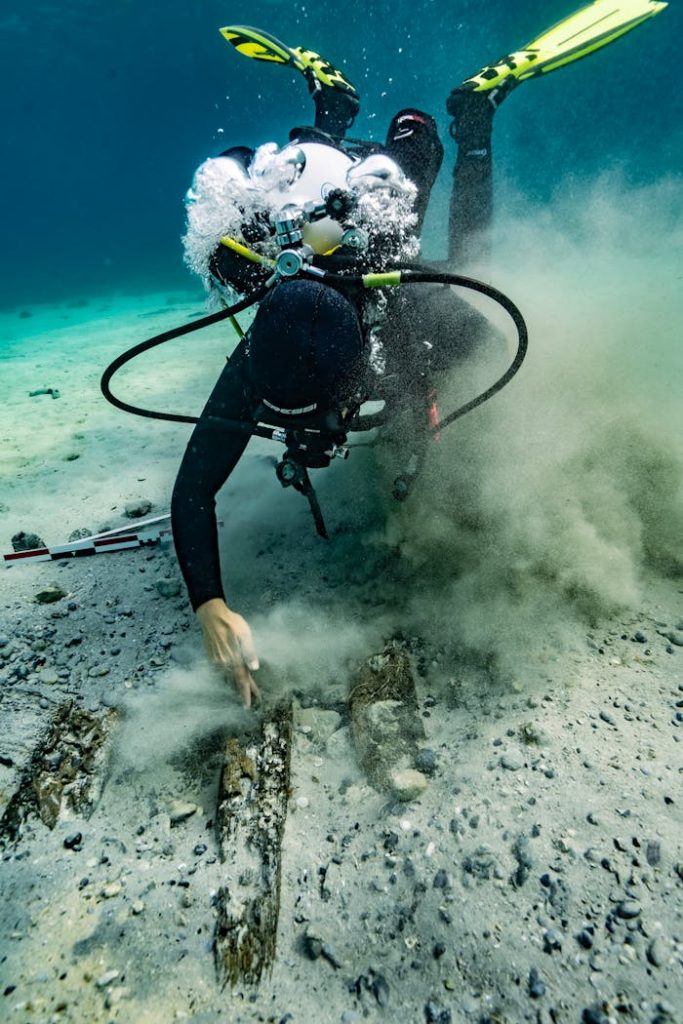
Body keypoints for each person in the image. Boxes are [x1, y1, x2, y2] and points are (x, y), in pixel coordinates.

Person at [171, 3, 668, 707]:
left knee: (429, 188)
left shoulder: (401, 311)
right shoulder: (261, 342)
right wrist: (209, 606)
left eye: (315, 410)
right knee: (253, 232)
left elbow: (497, 350)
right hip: (295, 240)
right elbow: (194, 488)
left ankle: (474, 118)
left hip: (372, 247)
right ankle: (330, 108)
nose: (309, 428)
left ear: (362, 363)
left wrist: (433, 409)